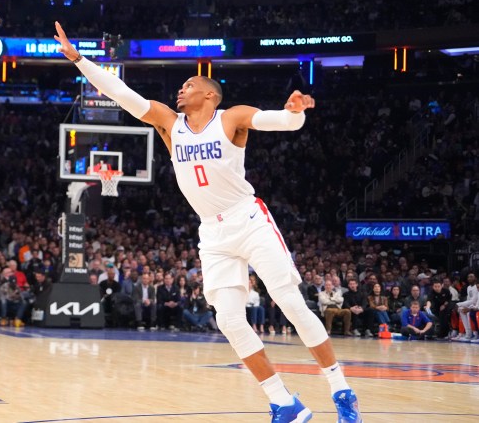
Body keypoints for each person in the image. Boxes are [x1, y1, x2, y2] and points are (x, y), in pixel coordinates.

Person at [53, 22, 361, 422]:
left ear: (210, 94)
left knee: (289, 302)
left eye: (189, 85)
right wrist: (80, 60)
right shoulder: (169, 122)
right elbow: (123, 95)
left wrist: (296, 113)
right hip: (212, 231)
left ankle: (341, 390)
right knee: (229, 319)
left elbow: (278, 121)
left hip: (248, 219)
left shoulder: (232, 117)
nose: (180, 90)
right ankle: (283, 401)